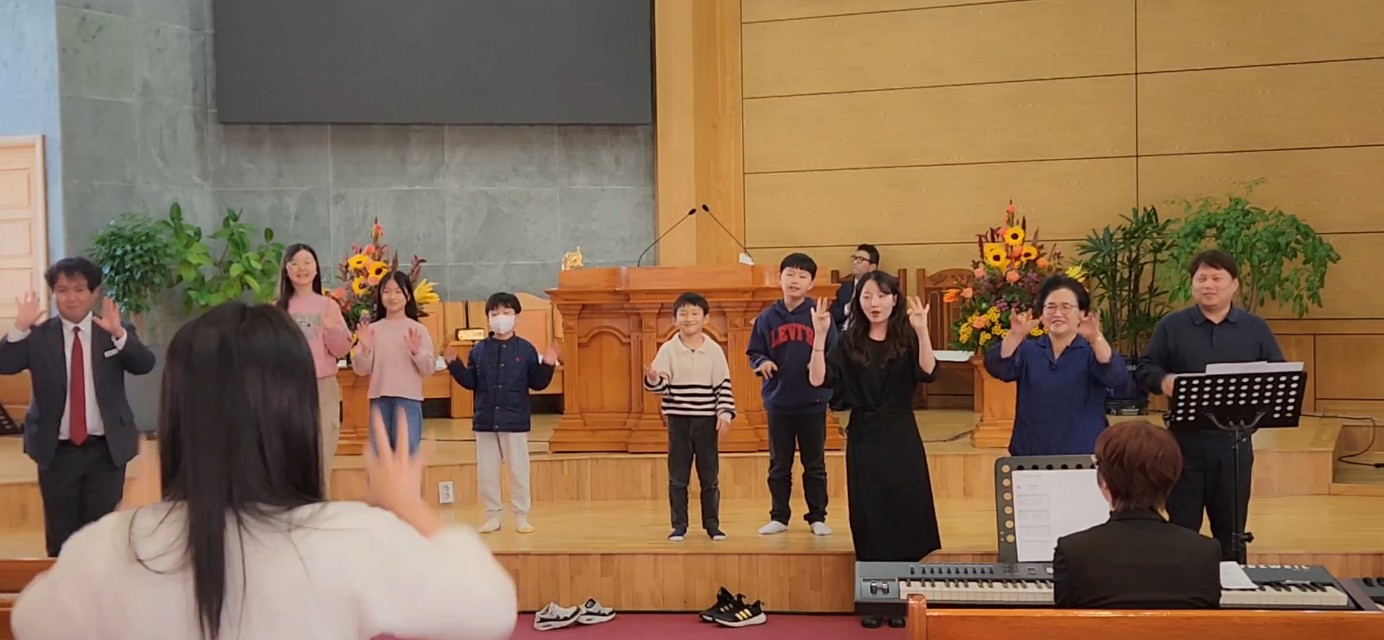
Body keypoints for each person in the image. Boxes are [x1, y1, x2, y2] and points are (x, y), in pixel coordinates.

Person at [9, 302, 518, 639]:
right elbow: (490, 607)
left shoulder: (114, 547)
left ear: (179, 412)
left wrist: (129, 515)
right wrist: (408, 503)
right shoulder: (352, 536)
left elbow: (33, 624)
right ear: (297, 412)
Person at [808, 271, 940, 629]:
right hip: (865, 432)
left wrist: (923, 330)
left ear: (894, 300)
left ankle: (900, 602)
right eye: (866, 296)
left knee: (903, 511)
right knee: (870, 516)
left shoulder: (907, 336)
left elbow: (928, 372)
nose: (874, 303)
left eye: (881, 296)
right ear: (858, 302)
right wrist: (819, 336)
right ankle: (872, 600)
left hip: (901, 431)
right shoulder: (849, 340)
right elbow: (818, 379)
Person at [0, 257, 156, 558]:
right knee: (61, 537)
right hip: (57, 450)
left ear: (94, 293)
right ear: (53, 294)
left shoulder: (114, 330)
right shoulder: (38, 335)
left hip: (106, 450)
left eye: (79, 289)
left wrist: (119, 335)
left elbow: (144, 364)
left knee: (104, 535)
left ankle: (101, 587)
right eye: (62, 290)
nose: (71, 298)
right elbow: (4, 364)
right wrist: (19, 327)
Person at [1135, 250, 1284, 561]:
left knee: (1231, 532)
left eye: (1217, 278)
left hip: (1234, 446)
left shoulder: (1255, 328)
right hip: (1183, 446)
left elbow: (1277, 374)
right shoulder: (1172, 325)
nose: (1208, 285)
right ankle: (1182, 586)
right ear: (1192, 284)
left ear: (1234, 285)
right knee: (1181, 529)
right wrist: (1164, 381)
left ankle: (1233, 586)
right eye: (1201, 278)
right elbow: (1146, 368)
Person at [1053, 420, 1222, 609]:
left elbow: (1064, 622)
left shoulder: (1074, 551)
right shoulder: (1205, 552)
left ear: (1105, 482)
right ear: (1172, 478)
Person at [446, 292, 559, 535]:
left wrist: (549, 363)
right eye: (495, 313)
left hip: (514, 421)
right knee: (487, 473)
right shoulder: (479, 350)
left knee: (518, 471)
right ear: (488, 318)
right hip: (485, 420)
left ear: (517, 317)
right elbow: (471, 381)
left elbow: (537, 383)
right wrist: (454, 365)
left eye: (506, 313)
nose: (500, 318)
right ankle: (492, 516)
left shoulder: (526, 349)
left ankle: (521, 515)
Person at [984, 275, 1129, 456]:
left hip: (1084, 453)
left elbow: (1116, 377)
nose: (1058, 313)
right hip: (1031, 452)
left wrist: (1095, 338)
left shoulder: (1092, 351)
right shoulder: (1028, 350)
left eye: (1066, 307)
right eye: (1051, 307)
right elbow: (997, 367)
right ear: (1042, 314)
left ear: (1082, 313)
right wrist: (1014, 336)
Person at [747, 252, 837, 536]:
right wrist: (762, 362)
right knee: (779, 465)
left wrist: (820, 365)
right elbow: (754, 351)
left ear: (811, 283)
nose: (795, 280)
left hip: (813, 401)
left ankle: (817, 517)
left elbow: (835, 352)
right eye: (790, 274)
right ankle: (779, 517)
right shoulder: (767, 317)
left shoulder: (820, 316)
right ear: (780, 278)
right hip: (779, 402)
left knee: (814, 464)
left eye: (802, 276)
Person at [643, 292, 735, 542]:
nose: (689, 318)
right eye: (683, 313)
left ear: (706, 318)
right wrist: (653, 379)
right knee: (678, 477)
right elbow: (660, 385)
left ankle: (712, 525)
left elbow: (723, 385)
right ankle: (679, 525)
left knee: (709, 477)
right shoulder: (668, 349)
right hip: (678, 422)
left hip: (706, 422)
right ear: (674, 319)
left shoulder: (714, 350)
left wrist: (725, 413)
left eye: (695, 313)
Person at [276, 243, 353, 490]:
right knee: (288, 454)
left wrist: (332, 330)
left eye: (307, 262)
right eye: (295, 263)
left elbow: (341, 350)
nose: (302, 268)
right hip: (287, 389)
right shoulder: (277, 309)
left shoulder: (328, 306)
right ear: (286, 269)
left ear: (317, 269)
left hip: (323, 387)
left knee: (321, 454)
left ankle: (320, 507)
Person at [352, 271, 436, 455]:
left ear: (408, 296)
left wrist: (416, 352)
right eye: (387, 291)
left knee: (407, 455)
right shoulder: (372, 330)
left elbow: (429, 368)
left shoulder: (417, 329)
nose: (392, 297)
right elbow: (361, 369)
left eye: (398, 291)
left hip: (408, 401)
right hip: (379, 400)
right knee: (380, 456)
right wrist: (365, 349)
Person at [830, 244, 879, 331]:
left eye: (860, 259)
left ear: (872, 267)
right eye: (855, 258)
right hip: (843, 333)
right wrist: (847, 309)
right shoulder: (843, 288)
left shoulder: (879, 289)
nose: (855, 262)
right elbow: (831, 316)